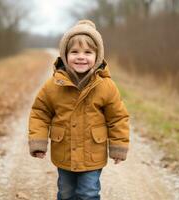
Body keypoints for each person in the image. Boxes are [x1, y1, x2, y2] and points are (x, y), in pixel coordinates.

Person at [28, 19, 130, 200]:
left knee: (88, 193)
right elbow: (40, 113)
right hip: (64, 152)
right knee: (66, 193)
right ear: (65, 55)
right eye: (74, 52)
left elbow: (117, 118)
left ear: (97, 56)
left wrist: (119, 147)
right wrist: (38, 142)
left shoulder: (106, 86)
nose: (81, 56)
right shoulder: (54, 84)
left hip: (93, 154)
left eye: (88, 52)